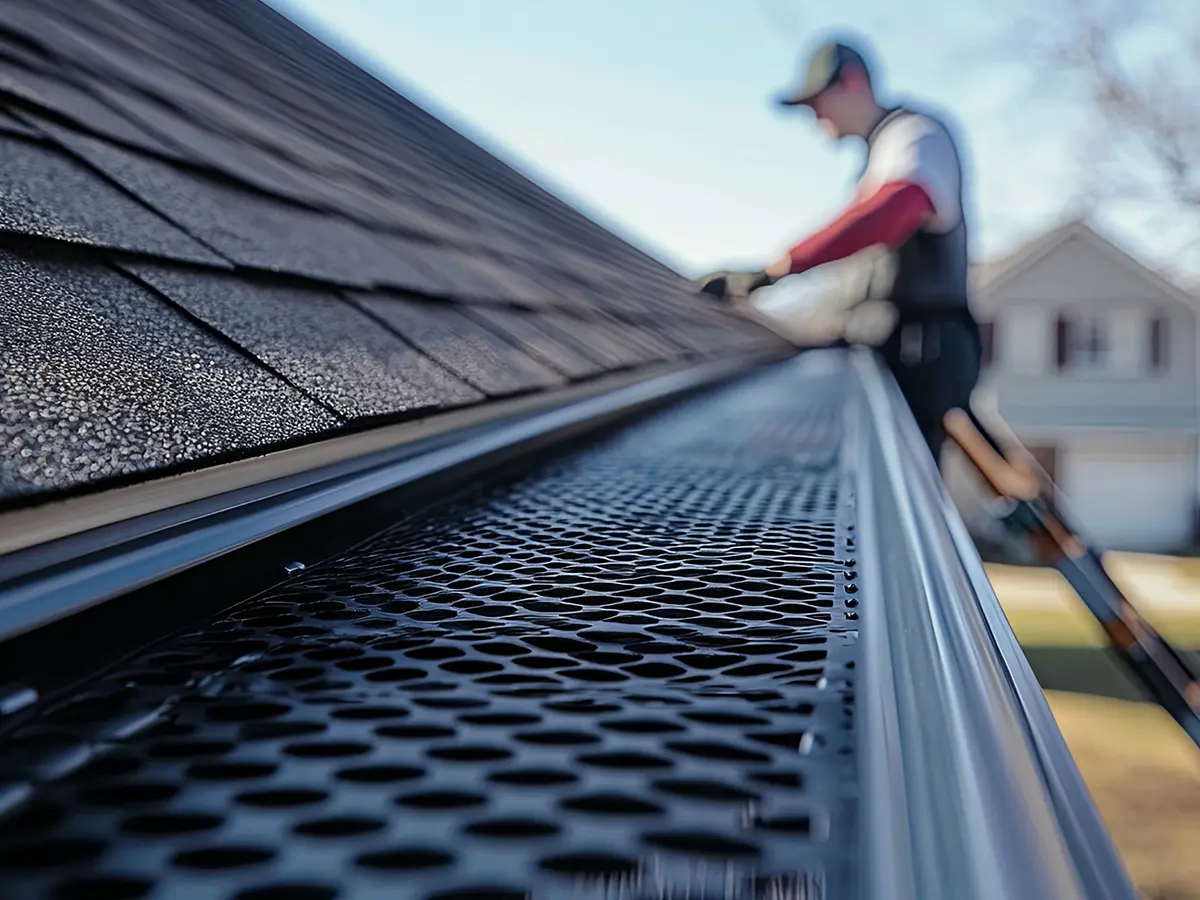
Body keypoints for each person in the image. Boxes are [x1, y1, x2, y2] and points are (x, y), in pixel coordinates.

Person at [697, 36, 982, 468]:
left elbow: (890, 212)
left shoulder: (916, 135)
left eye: (817, 103)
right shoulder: (882, 152)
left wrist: (777, 271)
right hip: (893, 348)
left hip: (923, 352)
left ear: (852, 82)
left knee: (903, 485)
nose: (815, 118)